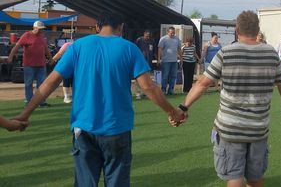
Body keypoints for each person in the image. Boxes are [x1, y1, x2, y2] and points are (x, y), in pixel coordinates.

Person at [12, 11, 185, 186]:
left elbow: (50, 82)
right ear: (121, 27)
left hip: (84, 128)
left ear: (97, 27)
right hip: (117, 127)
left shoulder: (78, 46)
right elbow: (148, 87)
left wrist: (26, 113)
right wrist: (172, 112)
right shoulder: (129, 48)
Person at [179, 10, 281, 187]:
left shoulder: (226, 52)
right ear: (257, 29)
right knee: (255, 178)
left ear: (237, 30)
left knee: (234, 177)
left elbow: (202, 83)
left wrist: (183, 107)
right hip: (258, 129)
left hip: (229, 129)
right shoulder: (271, 54)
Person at [7, 21, 53, 107]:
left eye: (42, 29)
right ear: (34, 28)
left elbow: (46, 49)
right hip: (29, 65)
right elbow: (16, 46)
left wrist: (50, 58)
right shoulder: (26, 35)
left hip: (41, 64)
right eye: (39, 29)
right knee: (28, 84)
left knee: (42, 84)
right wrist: (10, 56)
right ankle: (29, 102)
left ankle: (41, 102)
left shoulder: (42, 36)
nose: (41, 31)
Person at [158, 27, 182, 95]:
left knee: (173, 76)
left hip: (174, 61)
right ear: (168, 32)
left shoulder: (177, 39)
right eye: (171, 33)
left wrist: (181, 58)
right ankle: (163, 90)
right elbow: (160, 49)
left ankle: (171, 90)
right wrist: (159, 59)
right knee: (165, 76)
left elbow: (179, 49)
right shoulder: (163, 39)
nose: (172, 34)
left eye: (173, 33)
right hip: (166, 61)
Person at [134, 30, 155, 99]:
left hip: (148, 63)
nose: (147, 37)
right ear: (144, 35)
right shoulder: (139, 40)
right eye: (146, 36)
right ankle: (138, 94)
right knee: (138, 79)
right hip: (139, 63)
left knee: (147, 79)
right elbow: (135, 49)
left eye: (149, 36)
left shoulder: (152, 41)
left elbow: (153, 51)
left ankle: (146, 93)